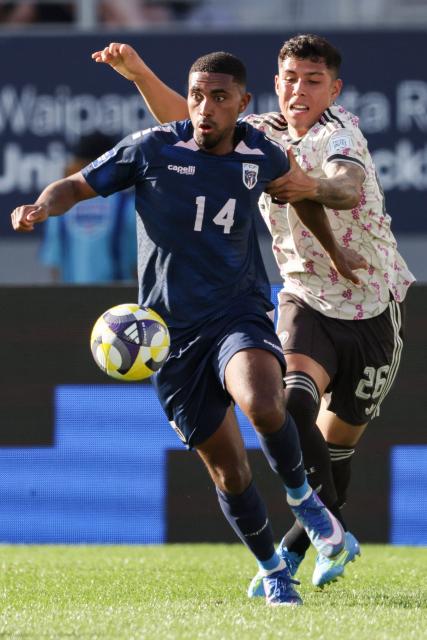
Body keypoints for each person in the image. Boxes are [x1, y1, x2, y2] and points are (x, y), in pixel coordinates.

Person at [12, 52, 363, 607]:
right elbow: (76, 186)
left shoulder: (258, 151)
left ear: (243, 104)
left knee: (265, 403)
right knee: (229, 471)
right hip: (169, 336)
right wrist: (40, 205)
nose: (205, 108)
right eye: (197, 95)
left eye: (220, 97)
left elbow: (301, 194)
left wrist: (337, 253)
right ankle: (273, 569)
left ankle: (306, 503)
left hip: (238, 313)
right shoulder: (151, 148)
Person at [90, 35, 415, 590]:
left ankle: (303, 540)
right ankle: (308, 543)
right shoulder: (257, 134)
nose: (297, 90)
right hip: (302, 297)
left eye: (312, 81)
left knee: (335, 453)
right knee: (287, 402)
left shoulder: (342, 133)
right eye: (289, 78)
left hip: (369, 304)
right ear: (275, 82)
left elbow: (345, 186)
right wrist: (140, 72)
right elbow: (189, 124)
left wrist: (310, 185)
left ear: (332, 89)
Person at [39, 133, 137, 284]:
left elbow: (55, 266)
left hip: (74, 300)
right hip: (120, 302)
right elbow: (138, 264)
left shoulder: (59, 206)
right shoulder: (127, 206)